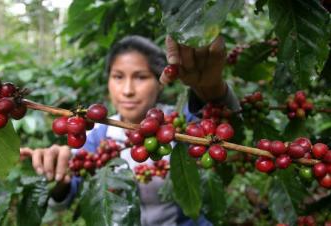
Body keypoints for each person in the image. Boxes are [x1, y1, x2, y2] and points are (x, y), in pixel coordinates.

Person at [20, 35, 240, 225]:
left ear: (160, 81)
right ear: (107, 81)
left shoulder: (180, 122)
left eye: (141, 77)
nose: (127, 90)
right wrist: (58, 176)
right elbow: (64, 199)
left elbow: (223, 128)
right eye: (118, 77)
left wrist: (211, 88)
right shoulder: (96, 133)